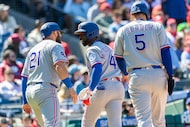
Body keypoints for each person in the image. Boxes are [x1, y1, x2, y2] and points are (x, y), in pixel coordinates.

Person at [114, 1, 174, 127]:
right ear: (147, 14)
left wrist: (125, 73)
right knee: (159, 120)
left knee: (144, 120)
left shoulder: (123, 30)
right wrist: (170, 74)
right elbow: (165, 53)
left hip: (137, 75)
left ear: (132, 14)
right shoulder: (157, 26)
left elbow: (118, 57)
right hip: (158, 73)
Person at [21, 22, 78, 127]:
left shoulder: (33, 49)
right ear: (54, 32)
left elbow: (24, 77)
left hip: (30, 92)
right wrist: (70, 87)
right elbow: (59, 67)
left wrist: (25, 100)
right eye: (59, 33)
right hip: (46, 89)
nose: (60, 35)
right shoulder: (55, 45)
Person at [74, 22, 125, 127]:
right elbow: (122, 65)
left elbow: (97, 67)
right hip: (118, 86)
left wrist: (91, 89)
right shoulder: (108, 48)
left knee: (87, 122)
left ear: (91, 34)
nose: (80, 38)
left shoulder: (92, 49)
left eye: (82, 34)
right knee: (115, 124)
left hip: (103, 86)